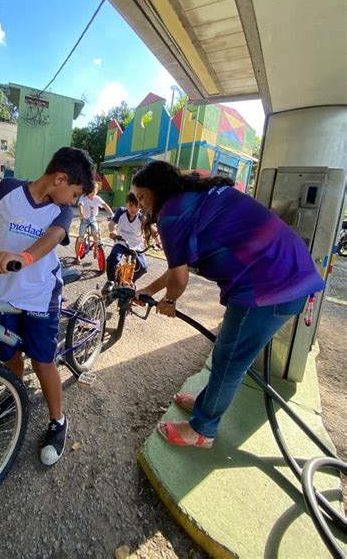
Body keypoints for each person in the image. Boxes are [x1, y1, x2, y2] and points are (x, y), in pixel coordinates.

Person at [133, 161, 325, 449]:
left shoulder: (171, 213)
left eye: (141, 197)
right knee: (227, 350)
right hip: (284, 275)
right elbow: (178, 267)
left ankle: (202, 430)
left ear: (155, 191)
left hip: (267, 286)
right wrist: (149, 288)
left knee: (229, 360)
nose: (142, 205)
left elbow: (180, 278)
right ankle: (205, 406)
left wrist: (169, 301)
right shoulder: (193, 200)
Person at [0, 147, 95, 466]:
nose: (74, 202)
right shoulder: (9, 190)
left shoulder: (60, 211)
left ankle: (58, 421)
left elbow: (53, 237)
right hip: (1, 293)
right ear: (60, 179)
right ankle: (14, 393)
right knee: (9, 354)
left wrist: (22, 258)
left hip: (41, 294)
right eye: (75, 193)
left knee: (42, 361)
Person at [101, 191, 160, 295]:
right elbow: (112, 224)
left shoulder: (142, 216)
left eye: (136, 206)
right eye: (131, 205)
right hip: (121, 242)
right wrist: (113, 231)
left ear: (140, 206)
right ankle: (110, 281)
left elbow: (151, 229)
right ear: (126, 204)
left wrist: (158, 241)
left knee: (143, 266)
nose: (133, 209)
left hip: (136, 245)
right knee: (113, 258)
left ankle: (130, 280)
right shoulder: (121, 211)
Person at [75, 182, 113, 264]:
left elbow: (105, 204)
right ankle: (77, 257)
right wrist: (81, 215)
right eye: (90, 193)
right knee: (81, 238)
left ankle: (96, 249)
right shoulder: (83, 197)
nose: (92, 195)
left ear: (96, 191)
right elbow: (80, 205)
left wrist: (112, 214)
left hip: (93, 219)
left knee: (95, 234)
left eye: (94, 193)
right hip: (84, 219)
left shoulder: (97, 198)